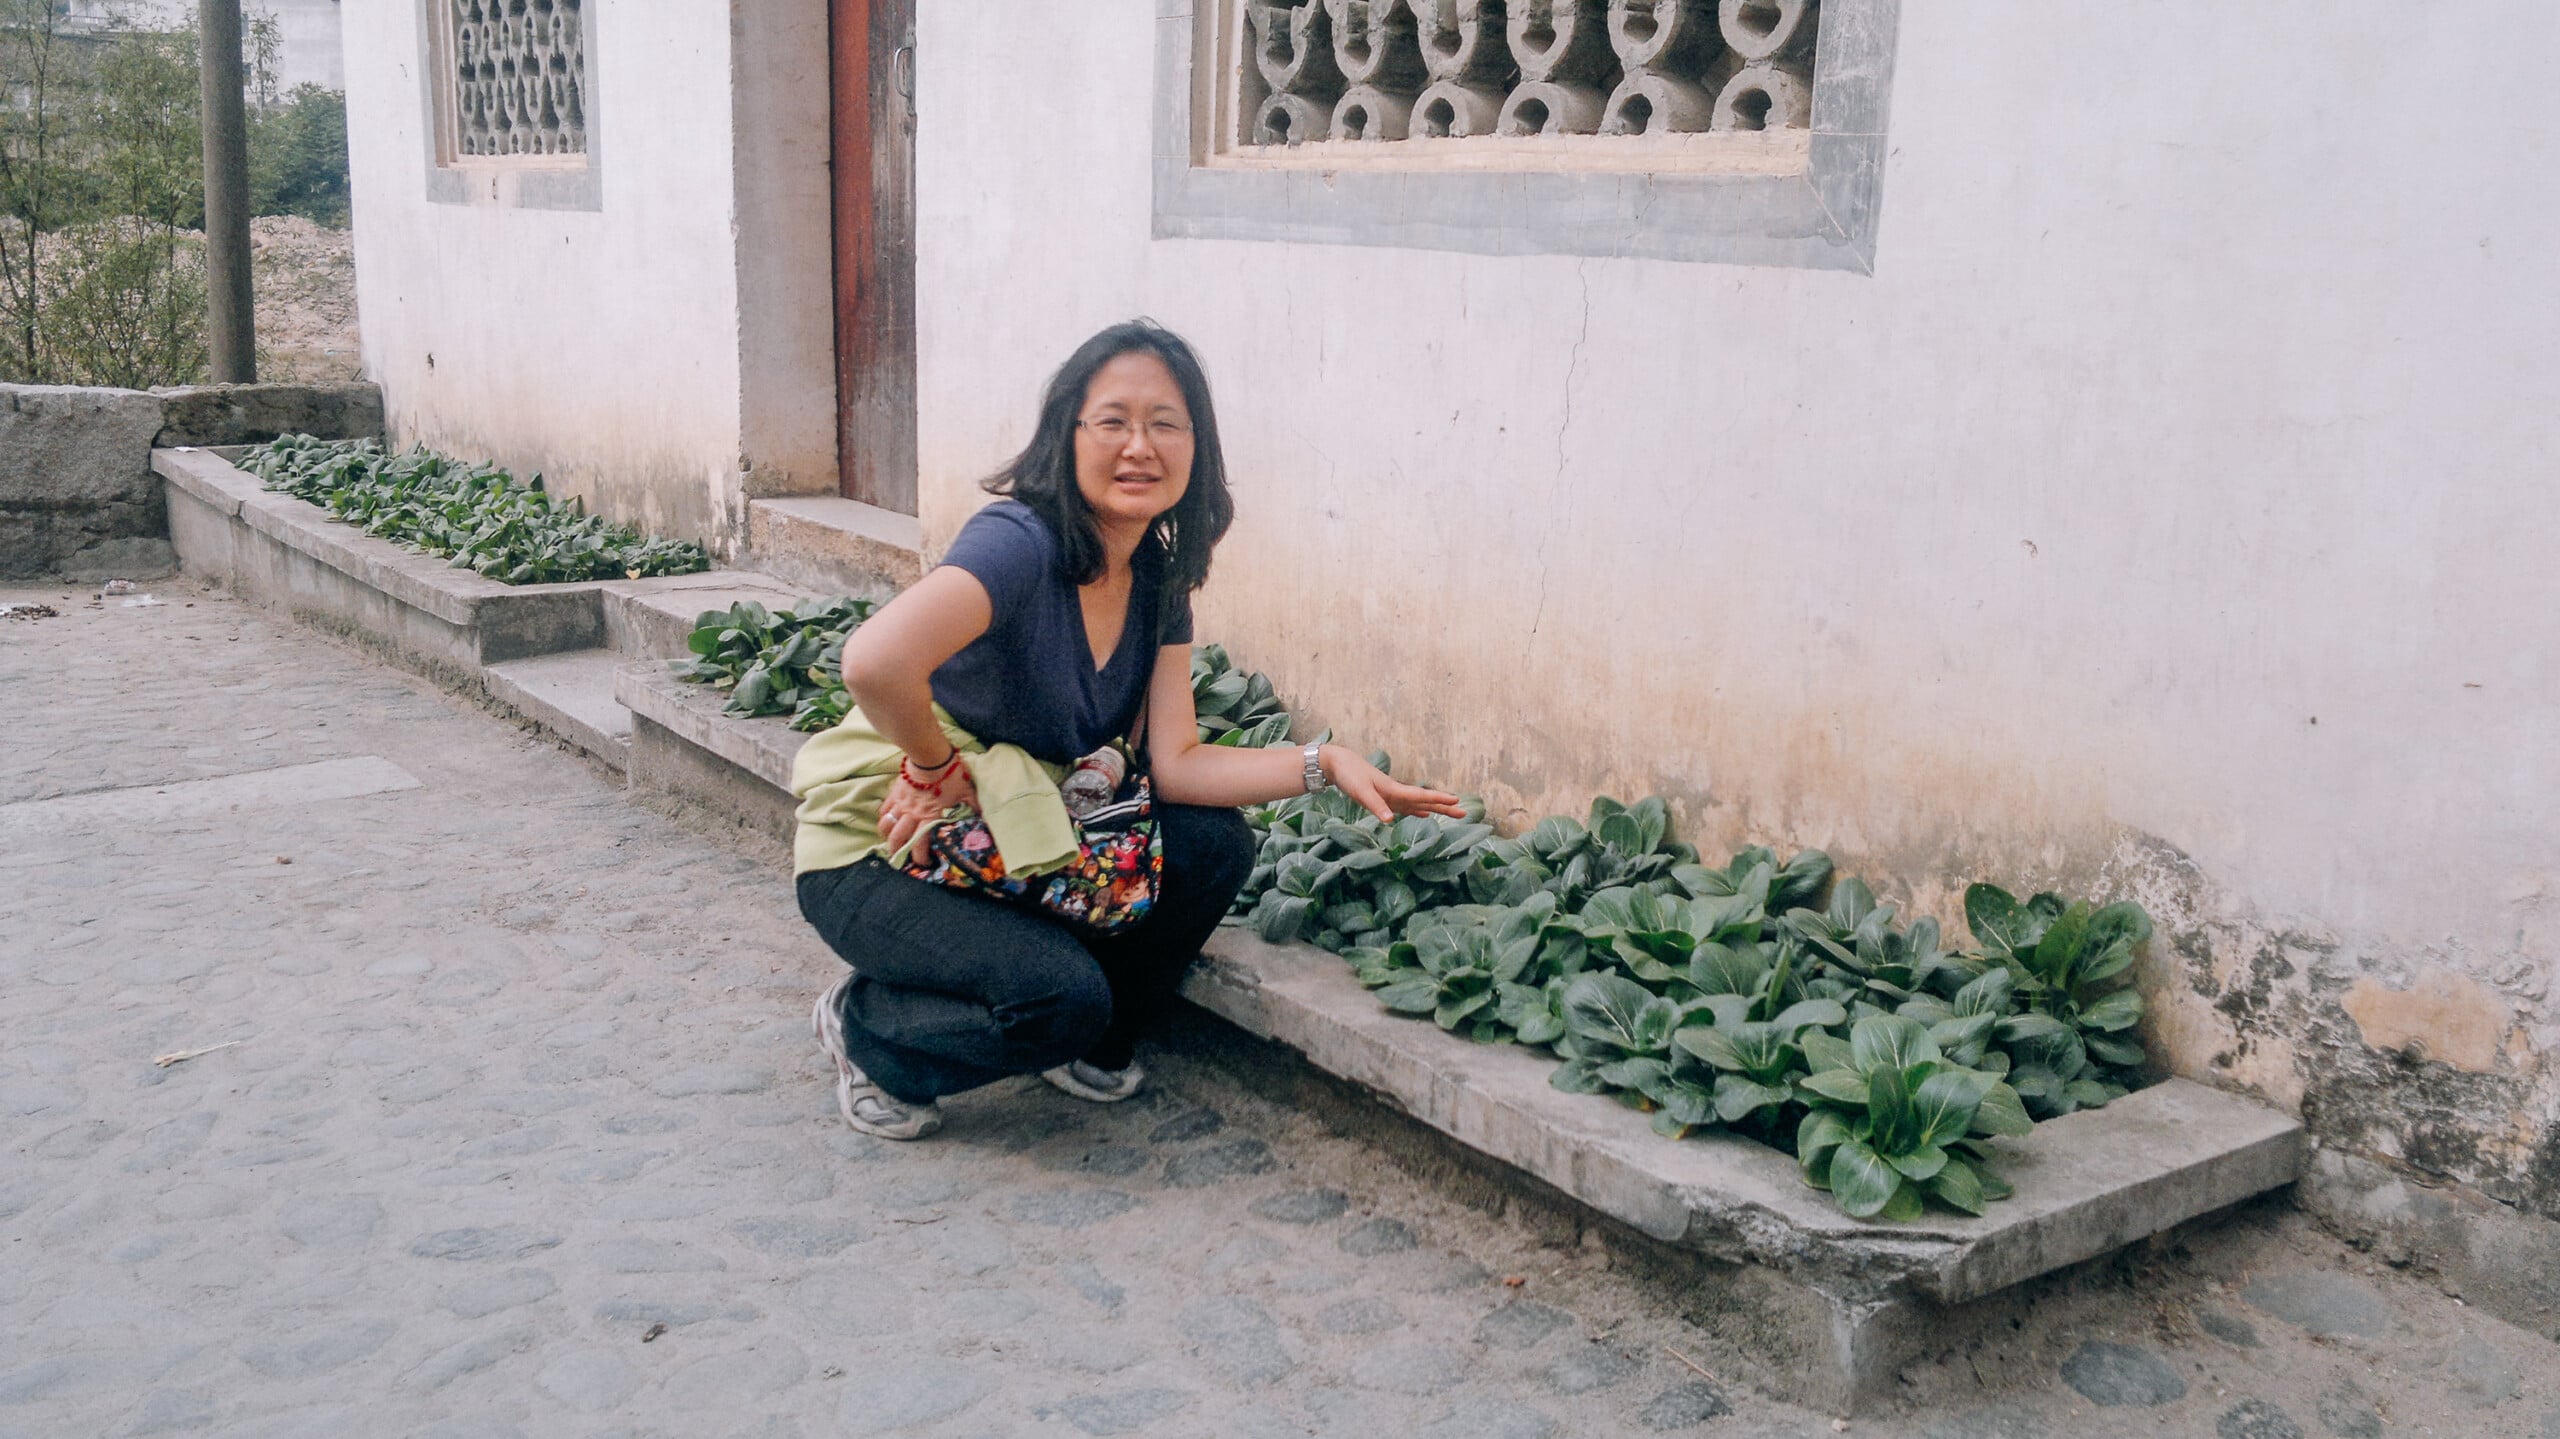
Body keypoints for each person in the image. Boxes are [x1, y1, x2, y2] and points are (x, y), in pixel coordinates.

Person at [790, 320, 1463, 1140]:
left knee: (1210, 846)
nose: (1138, 445)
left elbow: (1175, 764)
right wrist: (932, 766)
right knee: (1058, 997)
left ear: (1196, 445)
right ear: (1066, 436)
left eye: (1164, 423)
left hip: (1014, 838)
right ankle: (871, 1028)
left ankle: (1084, 1033)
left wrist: (1323, 762)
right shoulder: (1019, 544)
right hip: (886, 847)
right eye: (1112, 421)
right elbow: (875, 661)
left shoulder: (1156, 576)